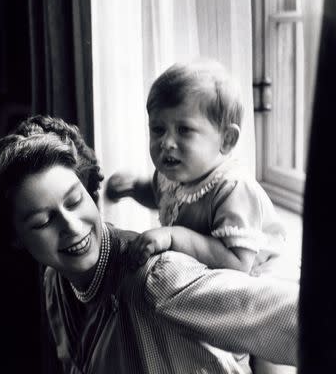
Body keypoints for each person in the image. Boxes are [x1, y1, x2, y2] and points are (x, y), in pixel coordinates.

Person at [0, 115, 298, 373]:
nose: (71, 227)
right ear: (16, 238)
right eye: (43, 222)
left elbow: (297, 317)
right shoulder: (56, 283)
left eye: (75, 200)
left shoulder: (156, 278)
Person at [106, 61, 286, 276]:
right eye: (158, 129)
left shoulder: (233, 188)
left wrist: (173, 237)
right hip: (203, 270)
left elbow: (238, 263)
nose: (166, 142)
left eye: (184, 130)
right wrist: (134, 188)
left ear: (226, 140)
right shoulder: (174, 173)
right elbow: (160, 197)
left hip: (251, 280)